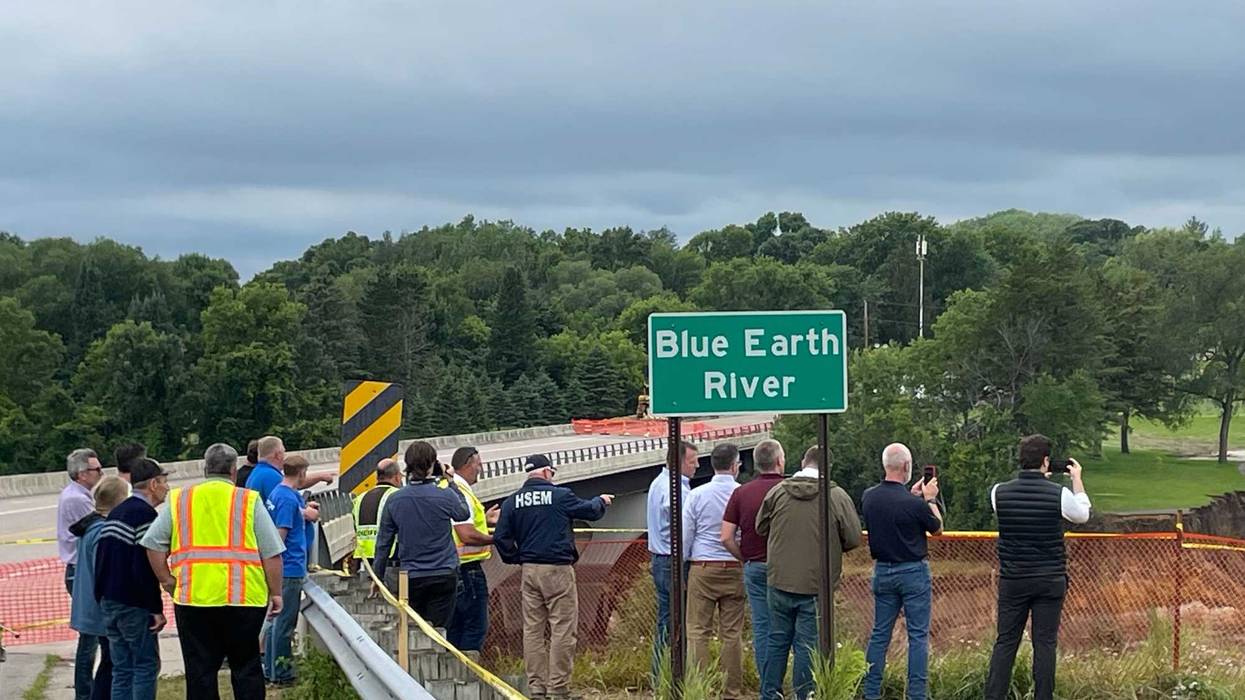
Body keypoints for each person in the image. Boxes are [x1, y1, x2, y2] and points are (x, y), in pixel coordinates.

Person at [143, 443, 286, 700]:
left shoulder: (181, 499)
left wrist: (166, 580)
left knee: (200, 672)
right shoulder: (247, 500)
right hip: (243, 600)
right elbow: (271, 553)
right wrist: (276, 592)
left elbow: (153, 544)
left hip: (193, 600)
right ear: (233, 470)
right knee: (246, 669)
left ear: (205, 468)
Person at [493, 454, 613, 700]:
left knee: (533, 630)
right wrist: (600, 501)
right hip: (557, 570)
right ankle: (558, 688)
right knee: (562, 629)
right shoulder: (560, 496)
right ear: (547, 472)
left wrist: (517, 558)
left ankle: (536, 687)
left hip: (529, 570)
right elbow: (589, 511)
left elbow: (501, 537)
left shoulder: (512, 501)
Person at [984, 435, 1091, 700]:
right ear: (1046, 462)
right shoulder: (1059, 494)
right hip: (1049, 578)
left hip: (1014, 578)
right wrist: (1076, 479)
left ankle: (994, 695)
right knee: (1044, 644)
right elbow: (1082, 515)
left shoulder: (999, 492)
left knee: (1006, 642)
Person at [756, 445, 862, 700]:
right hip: (817, 584)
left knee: (777, 639)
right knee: (807, 645)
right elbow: (853, 538)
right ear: (829, 466)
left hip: (779, 579)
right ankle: (804, 695)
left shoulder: (777, 492)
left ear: (804, 461)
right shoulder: (836, 497)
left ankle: (769, 693)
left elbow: (760, 527)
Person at [860, 443, 944, 700]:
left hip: (882, 571)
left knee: (879, 634)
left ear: (885, 465)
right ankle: (917, 694)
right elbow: (937, 528)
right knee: (917, 636)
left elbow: (893, 505)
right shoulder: (915, 504)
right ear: (907, 467)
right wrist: (928, 499)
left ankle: (870, 692)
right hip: (913, 572)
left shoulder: (869, 497)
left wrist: (911, 495)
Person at [373, 441, 470, 627]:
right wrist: (451, 482)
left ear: (407, 466)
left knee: (414, 631)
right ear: (432, 464)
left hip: (411, 577)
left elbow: (383, 544)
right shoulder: (445, 495)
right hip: (444, 573)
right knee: (439, 631)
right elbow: (463, 513)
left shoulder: (395, 500)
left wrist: (377, 578)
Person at [95, 458, 169, 700]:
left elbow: (103, 561)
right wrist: (154, 608)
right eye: (165, 481)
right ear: (154, 483)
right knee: (145, 665)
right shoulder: (145, 515)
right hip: (133, 604)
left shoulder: (117, 512)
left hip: (109, 600)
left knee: (122, 668)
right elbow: (144, 566)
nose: (167, 487)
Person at [682, 444, 744, 699]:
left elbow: (686, 535)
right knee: (732, 634)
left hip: (703, 567)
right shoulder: (742, 494)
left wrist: (685, 565)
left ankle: (699, 688)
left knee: (698, 631)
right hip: (735, 566)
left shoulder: (697, 495)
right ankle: (732, 691)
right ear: (734, 466)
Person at [721, 438, 785, 681]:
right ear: (779, 461)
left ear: (756, 464)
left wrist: (745, 558)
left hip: (755, 566)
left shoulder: (741, 493)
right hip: (787, 568)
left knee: (763, 628)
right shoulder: (788, 489)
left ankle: (768, 686)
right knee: (794, 627)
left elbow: (726, 537)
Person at [263, 455, 320, 686]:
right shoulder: (287, 499)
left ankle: (270, 668)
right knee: (284, 623)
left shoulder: (279, 493)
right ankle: (282, 672)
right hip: (289, 567)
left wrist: (305, 513)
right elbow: (280, 535)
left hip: (284, 567)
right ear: (302, 473)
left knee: (274, 623)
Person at [70, 476, 128, 700]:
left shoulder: (89, 528)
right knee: (112, 662)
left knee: (109, 660)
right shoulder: (102, 532)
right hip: (100, 612)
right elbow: (105, 575)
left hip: (89, 608)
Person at [646, 439, 697, 680]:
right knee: (675, 621)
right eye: (691, 461)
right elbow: (686, 525)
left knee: (666, 617)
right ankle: (669, 673)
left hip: (659, 558)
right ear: (678, 462)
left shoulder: (658, 483)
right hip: (673, 561)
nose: (696, 466)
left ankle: (662, 671)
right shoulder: (675, 490)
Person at [58, 448, 104, 700]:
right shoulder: (78, 499)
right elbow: (96, 525)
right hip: (80, 571)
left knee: (92, 636)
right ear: (81, 474)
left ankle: (88, 691)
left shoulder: (78, 494)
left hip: (79, 570)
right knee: (90, 637)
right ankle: (85, 693)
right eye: (96, 469)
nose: (101, 473)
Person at [446, 446, 501, 653]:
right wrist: (498, 539)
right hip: (467, 572)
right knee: (474, 627)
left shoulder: (453, 488)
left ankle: (454, 673)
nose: (481, 469)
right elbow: (465, 535)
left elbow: (457, 527)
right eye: (479, 464)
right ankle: (465, 676)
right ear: (468, 464)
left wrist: (484, 522)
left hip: (454, 569)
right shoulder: (461, 493)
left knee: (456, 628)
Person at [353, 457, 403, 589]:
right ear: (397, 477)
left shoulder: (360, 499)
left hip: (367, 564)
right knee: (400, 603)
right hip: (393, 562)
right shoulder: (398, 496)